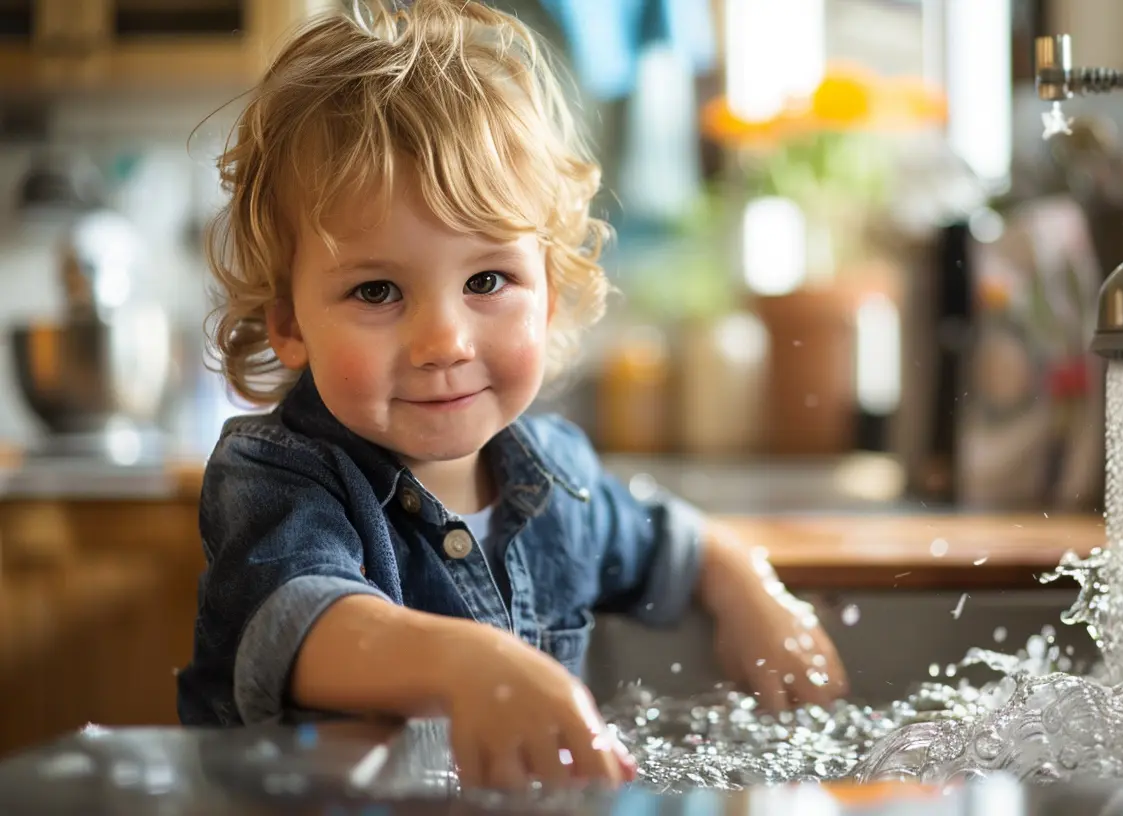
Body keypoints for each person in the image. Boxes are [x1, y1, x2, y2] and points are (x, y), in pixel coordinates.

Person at [175, 0, 848, 791]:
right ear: (289, 323)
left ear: (551, 295)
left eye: (487, 280)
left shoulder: (558, 475)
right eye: (378, 290)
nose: (444, 342)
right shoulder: (278, 478)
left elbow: (668, 541)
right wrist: (473, 665)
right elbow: (303, 625)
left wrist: (745, 584)